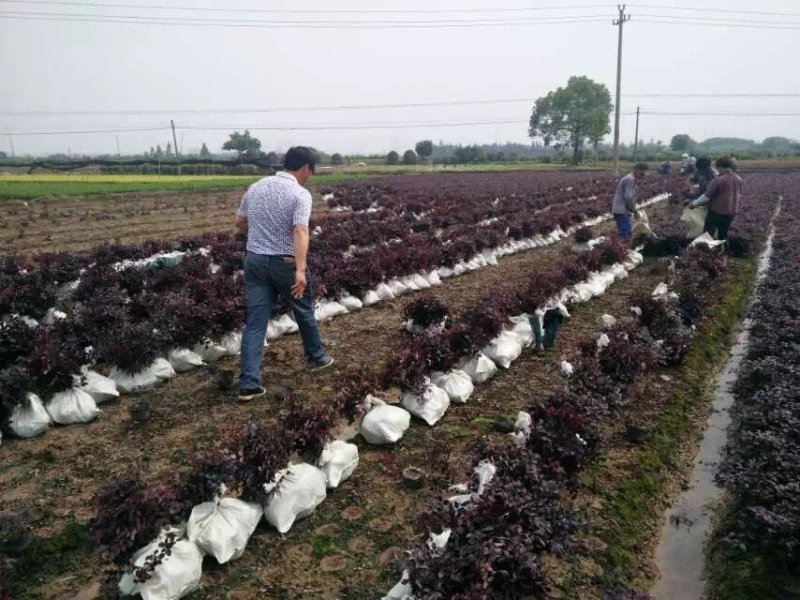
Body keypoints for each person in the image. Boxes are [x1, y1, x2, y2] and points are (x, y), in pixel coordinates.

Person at [234, 146, 334, 401]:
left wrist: (261, 232)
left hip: (254, 261)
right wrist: (300, 269)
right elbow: (300, 231)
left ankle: (248, 383)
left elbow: (240, 222)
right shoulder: (299, 194)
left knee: (255, 321)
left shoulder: (256, 187)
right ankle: (316, 356)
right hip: (284, 263)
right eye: (310, 171)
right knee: (302, 309)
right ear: (304, 168)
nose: (309, 176)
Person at [685, 156, 742, 241]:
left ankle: (707, 251)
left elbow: (707, 196)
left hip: (717, 211)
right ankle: (723, 251)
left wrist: (694, 204)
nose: (718, 169)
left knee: (708, 233)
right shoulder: (738, 178)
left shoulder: (719, 179)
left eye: (718, 167)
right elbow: (739, 194)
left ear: (721, 167)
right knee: (723, 233)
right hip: (731, 211)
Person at [612, 162, 648, 240]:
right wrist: (635, 211)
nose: (643, 176)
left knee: (627, 232)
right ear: (637, 170)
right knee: (624, 234)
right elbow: (627, 197)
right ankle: (622, 249)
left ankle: (623, 249)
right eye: (642, 173)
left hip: (623, 210)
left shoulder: (632, 179)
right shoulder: (630, 179)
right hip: (621, 210)